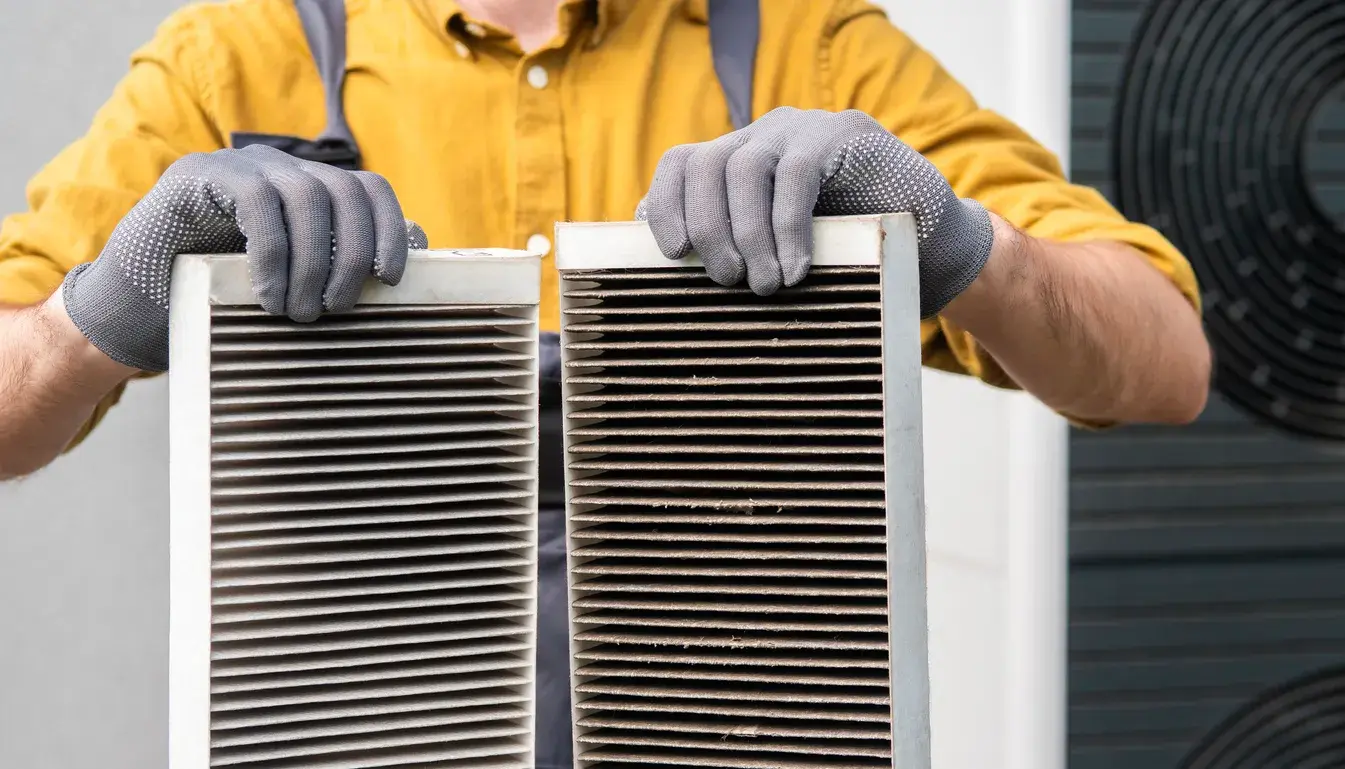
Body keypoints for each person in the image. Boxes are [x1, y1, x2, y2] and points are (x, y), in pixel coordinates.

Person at [0, 0, 1211, 765]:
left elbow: (1168, 363)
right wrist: (112, 296)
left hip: (749, 728)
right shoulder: (234, 57)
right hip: (351, 726)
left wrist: (950, 239)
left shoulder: (815, 44)